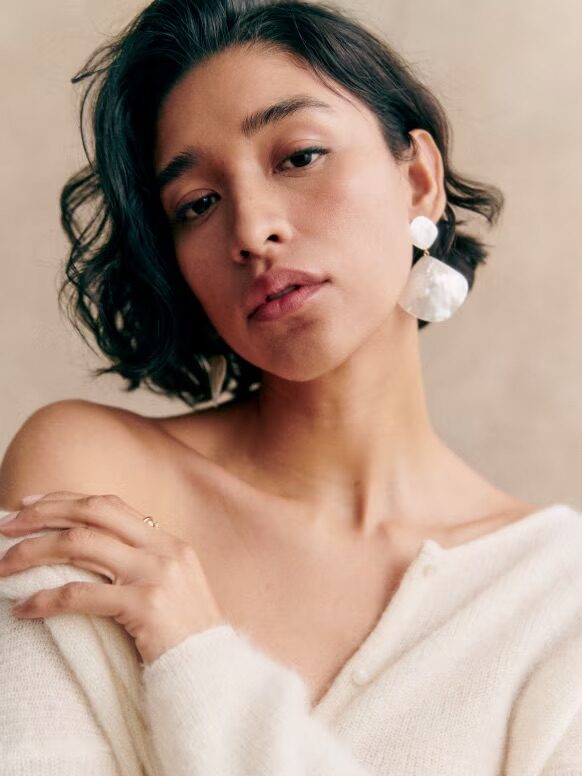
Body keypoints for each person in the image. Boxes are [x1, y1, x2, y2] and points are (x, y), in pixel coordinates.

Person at [0, 1, 581, 774]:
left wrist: (194, 657)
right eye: (196, 205)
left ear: (418, 180)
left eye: (298, 156)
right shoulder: (95, 482)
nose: (250, 229)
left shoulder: (556, 602)